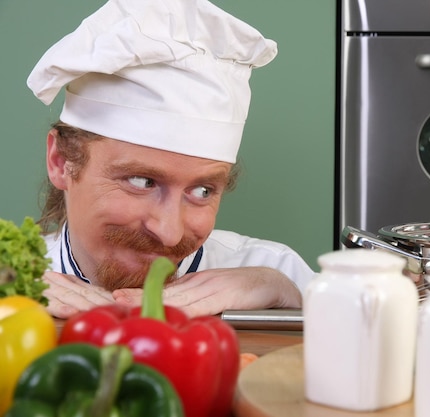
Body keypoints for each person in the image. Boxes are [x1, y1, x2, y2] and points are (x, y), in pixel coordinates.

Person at [26, 0, 315, 319]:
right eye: (141, 182)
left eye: (202, 191)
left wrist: (291, 300)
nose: (169, 232)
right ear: (61, 161)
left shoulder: (277, 272)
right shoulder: (12, 281)